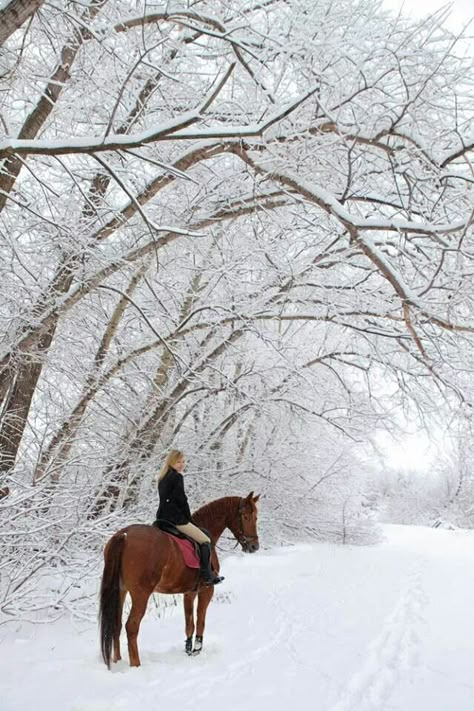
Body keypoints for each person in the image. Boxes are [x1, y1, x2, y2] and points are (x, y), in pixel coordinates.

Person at [156, 449, 224, 586]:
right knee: (205, 540)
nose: (182, 464)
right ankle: (207, 575)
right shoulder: (177, 477)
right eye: (178, 461)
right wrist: (188, 519)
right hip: (176, 519)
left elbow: (166, 500)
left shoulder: (162, 477)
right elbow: (181, 500)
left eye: (183, 461)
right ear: (171, 462)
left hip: (162, 518)